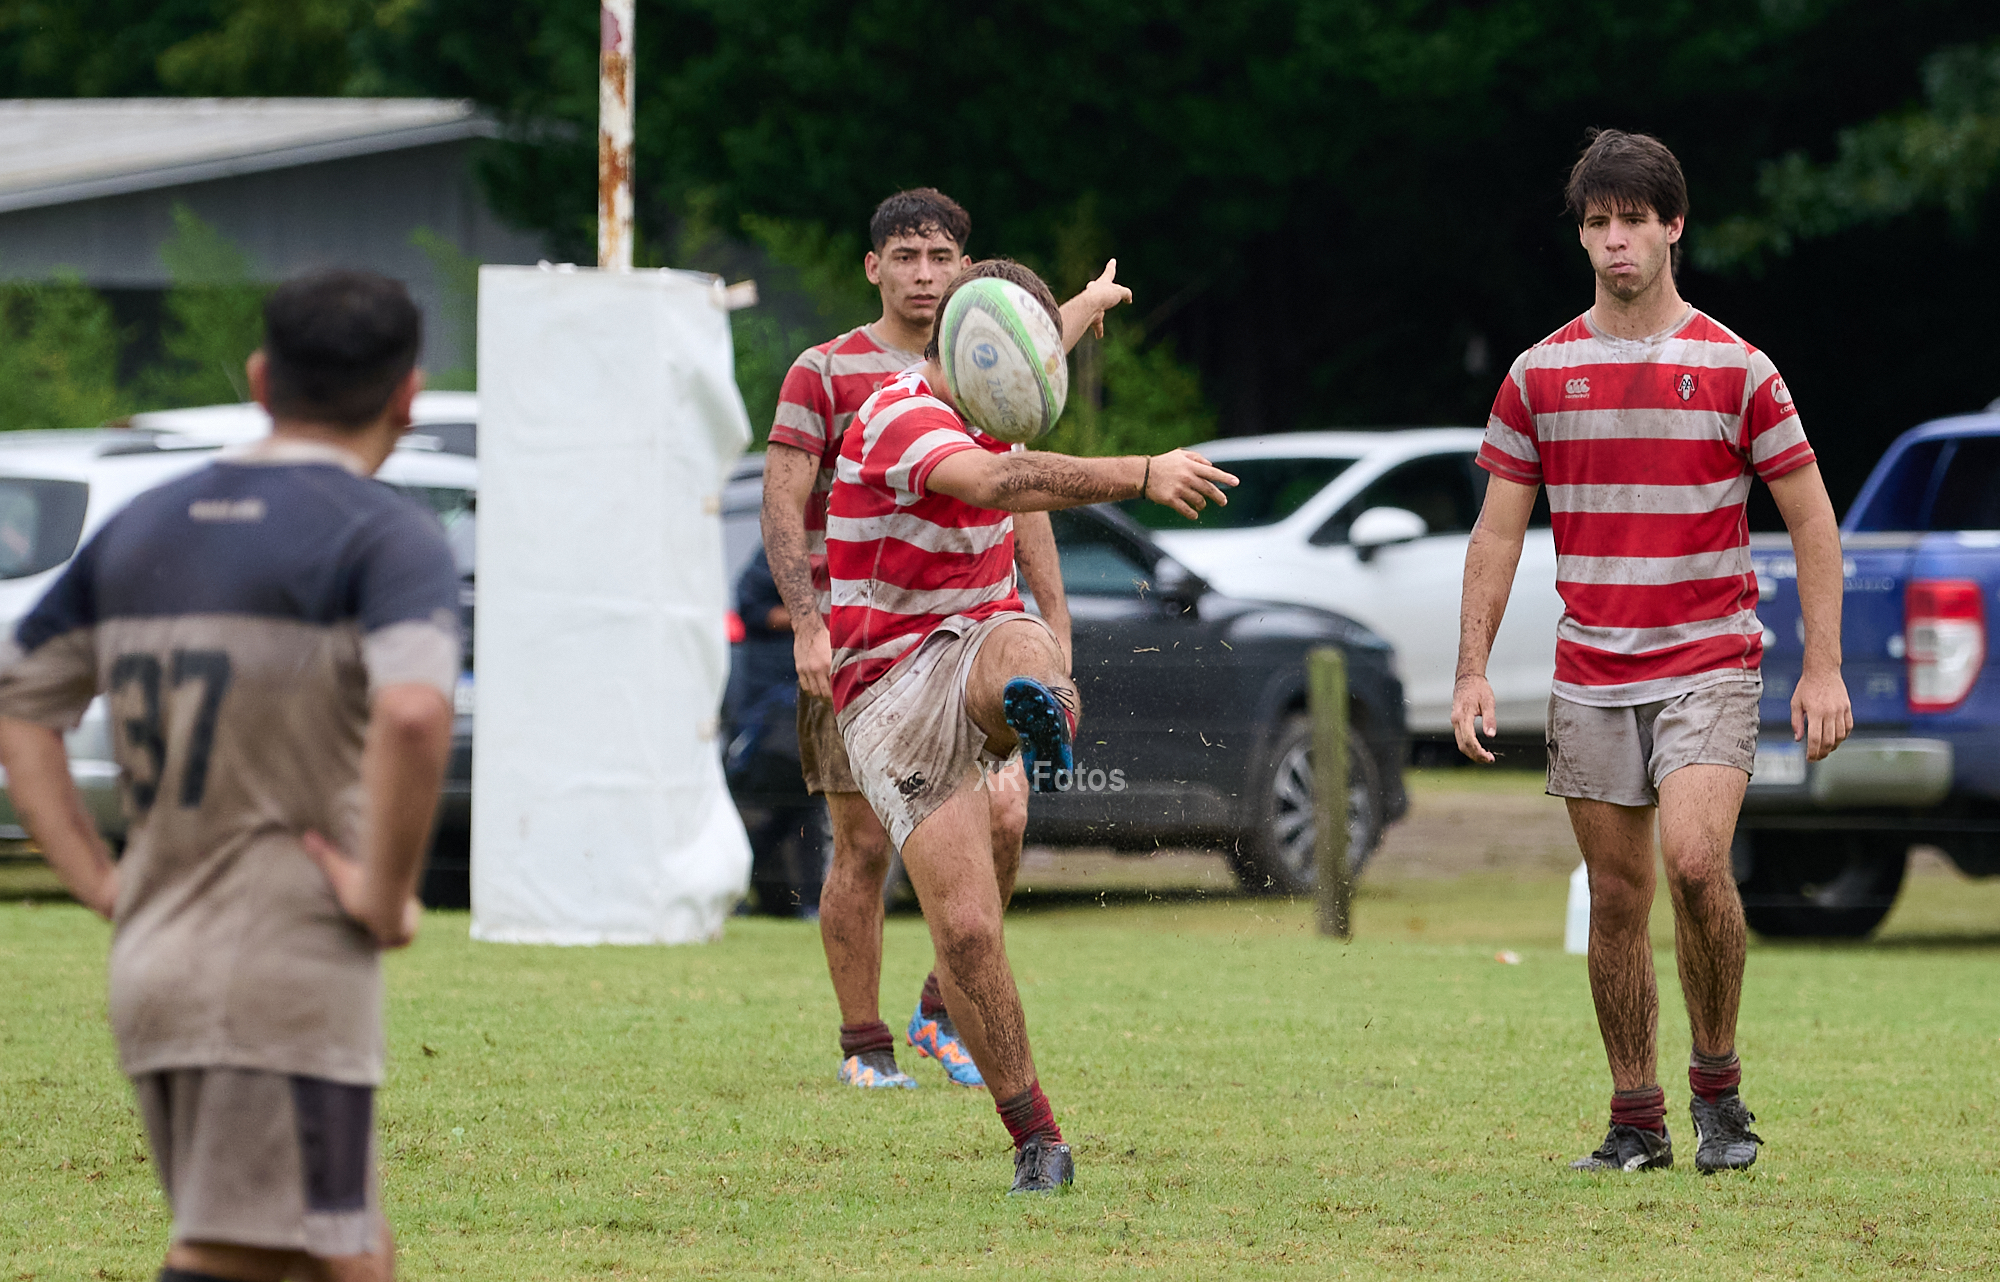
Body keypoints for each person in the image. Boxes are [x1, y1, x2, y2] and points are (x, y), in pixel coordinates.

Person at [0, 270, 459, 1279]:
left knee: (343, 1245)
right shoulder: (383, 535)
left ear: (259, 379)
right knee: (248, 1252)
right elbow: (418, 707)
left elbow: (19, 701)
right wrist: (383, 896)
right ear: (407, 397)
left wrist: (104, 883)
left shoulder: (142, 525)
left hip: (159, 957)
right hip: (279, 966)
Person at [1451, 130, 1851, 1173]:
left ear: (1672, 226)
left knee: (1691, 860)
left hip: (1709, 659)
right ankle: (1636, 1119)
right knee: (1616, 897)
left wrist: (1821, 666)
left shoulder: (1737, 369)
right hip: (1591, 669)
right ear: (1580, 235)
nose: (1614, 240)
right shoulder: (1539, 374)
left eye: (1633, 219)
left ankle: (1716, 1089)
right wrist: (1470, 668)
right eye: (1596, 222)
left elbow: (1810, 521)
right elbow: (1495, 533)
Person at [828, 257, 1237, 1192]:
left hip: (977, 640)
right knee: (968, 930)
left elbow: (1038, 339)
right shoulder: (902, 413)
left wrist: (1091, 302)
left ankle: (1034, 706)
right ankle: (1037, 1137)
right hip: (887, 687)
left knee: (1015, 641)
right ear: (969, 345)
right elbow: (997, 485)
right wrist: (1141, 471)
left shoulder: (997, 377)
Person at [760, 187, 1132, 1090]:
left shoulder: (985, 365)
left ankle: (942, 1006)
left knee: (1006, 817)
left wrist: (1055, 619)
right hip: (869, 647)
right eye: (906, 258)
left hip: (972, 637)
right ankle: (865, 1043)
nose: (923, 275)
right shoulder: (830, 371)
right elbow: (781, 501)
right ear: (874, 267)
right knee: (863, 846)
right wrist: (809, 624)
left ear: (965, 270)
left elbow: (1018, 483)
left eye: (940, 259)